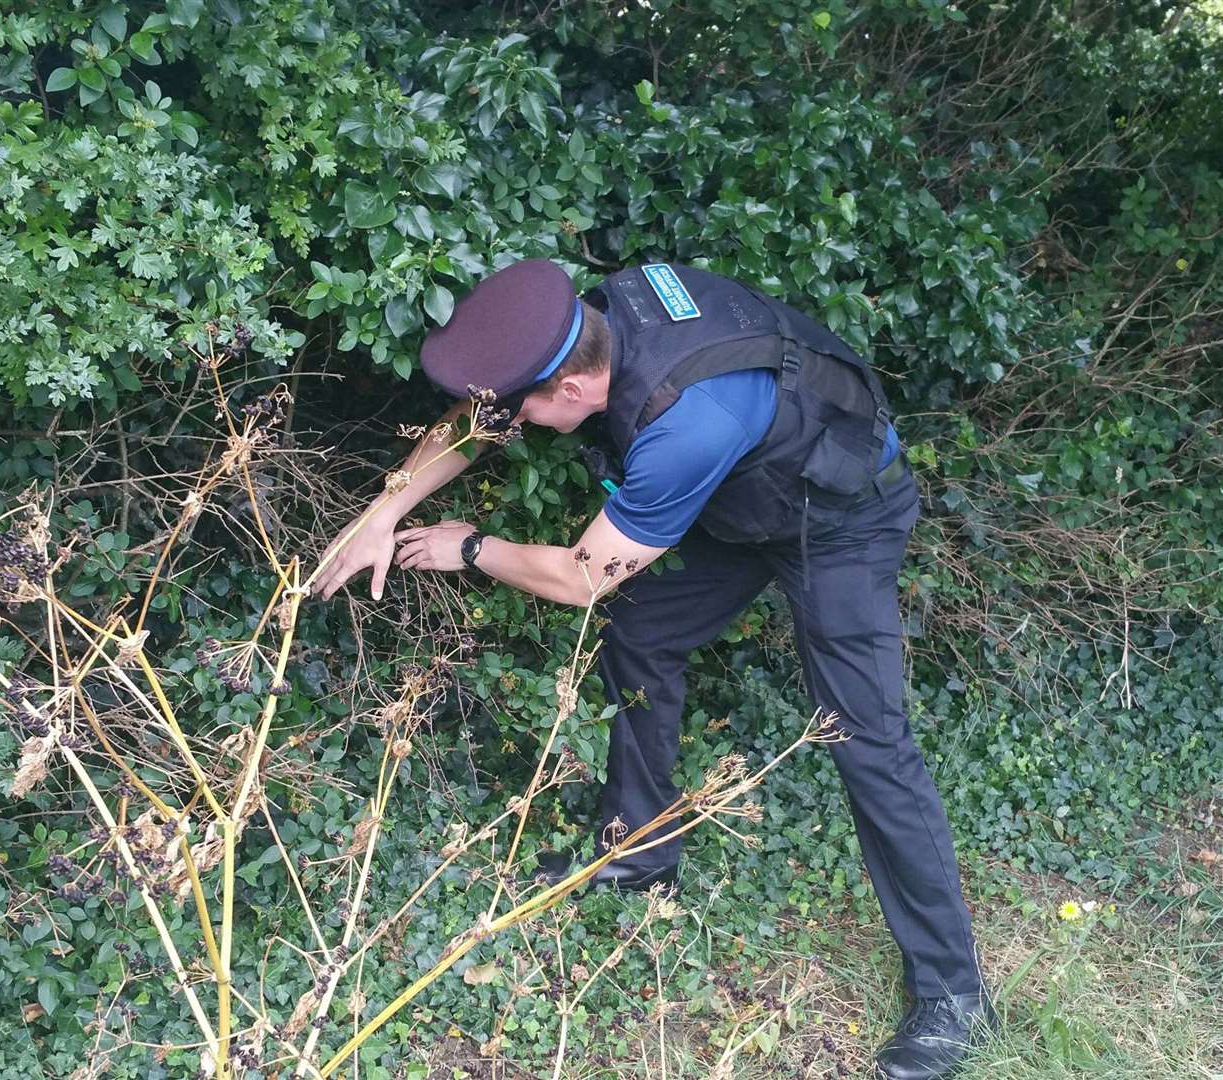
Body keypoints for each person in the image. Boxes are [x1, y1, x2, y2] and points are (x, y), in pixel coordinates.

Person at [314, 259, 995, 1080]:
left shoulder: (684, 429)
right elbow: (479, 415)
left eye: (524, 410)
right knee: (641, 633)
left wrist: (469, 547)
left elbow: (581, 576)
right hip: (747, 495)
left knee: (865, 738)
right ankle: (639, 851)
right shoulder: (597, 318)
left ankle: (955, 995)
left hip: (841, 514)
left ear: (569, 390)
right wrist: (383, 512)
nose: (513, 423)